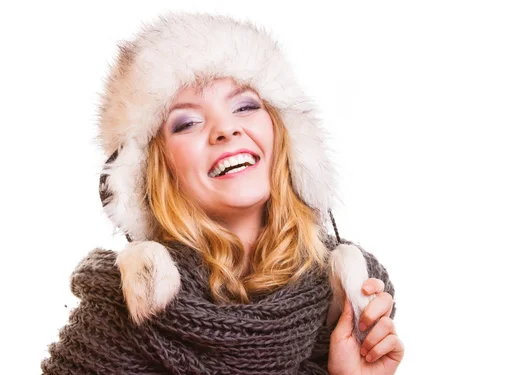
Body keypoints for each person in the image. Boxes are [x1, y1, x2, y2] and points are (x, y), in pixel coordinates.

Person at [41, 11, 404, 374]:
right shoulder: (112, 323)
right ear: (153, 171)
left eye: (245, 106)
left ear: (286, 136)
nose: (226, 129)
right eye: (187, 123)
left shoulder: (349, 307)